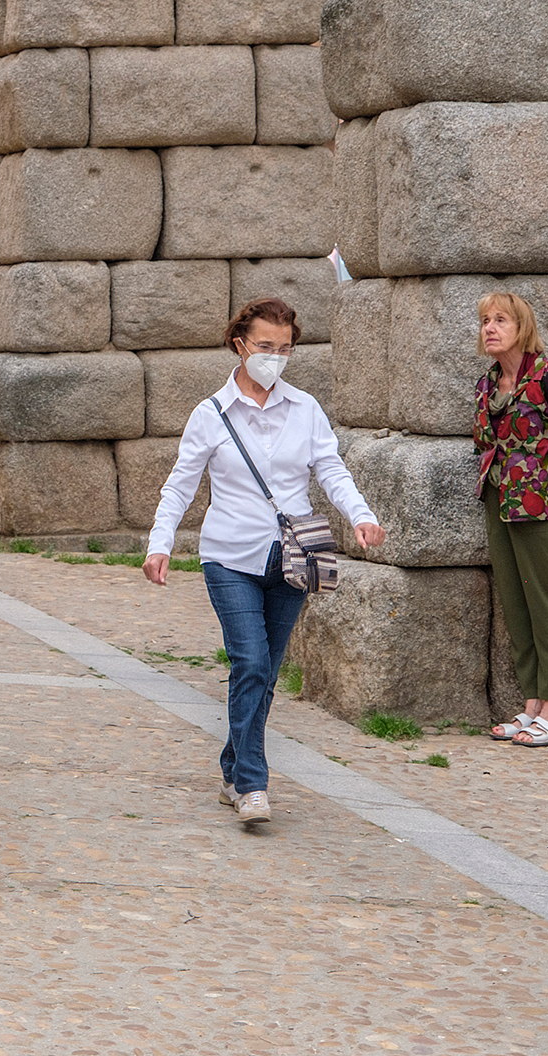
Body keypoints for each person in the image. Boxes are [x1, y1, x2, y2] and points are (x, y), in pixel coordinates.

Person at [143, 297, 387, 822]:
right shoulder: (210, 415)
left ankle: (233, 764)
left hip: (293, 557)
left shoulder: (306, 409)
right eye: (264, 347)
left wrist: (361, 516)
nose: (275, 357)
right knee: (249, 661)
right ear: (240, 344)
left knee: (267, 672)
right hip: (228, 555)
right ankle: (253, 784)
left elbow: (331, 470)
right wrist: (159, 543)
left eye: (285, 348)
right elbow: (180, 486)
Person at [476, 292, 548, 749]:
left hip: (542, 508)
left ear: (522, 327)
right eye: (485, 320)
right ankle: (531, 709)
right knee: (516, 607)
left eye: (500, 320)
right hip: (497, 502)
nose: (489, 328)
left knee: (547, 607)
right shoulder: (488, 383)